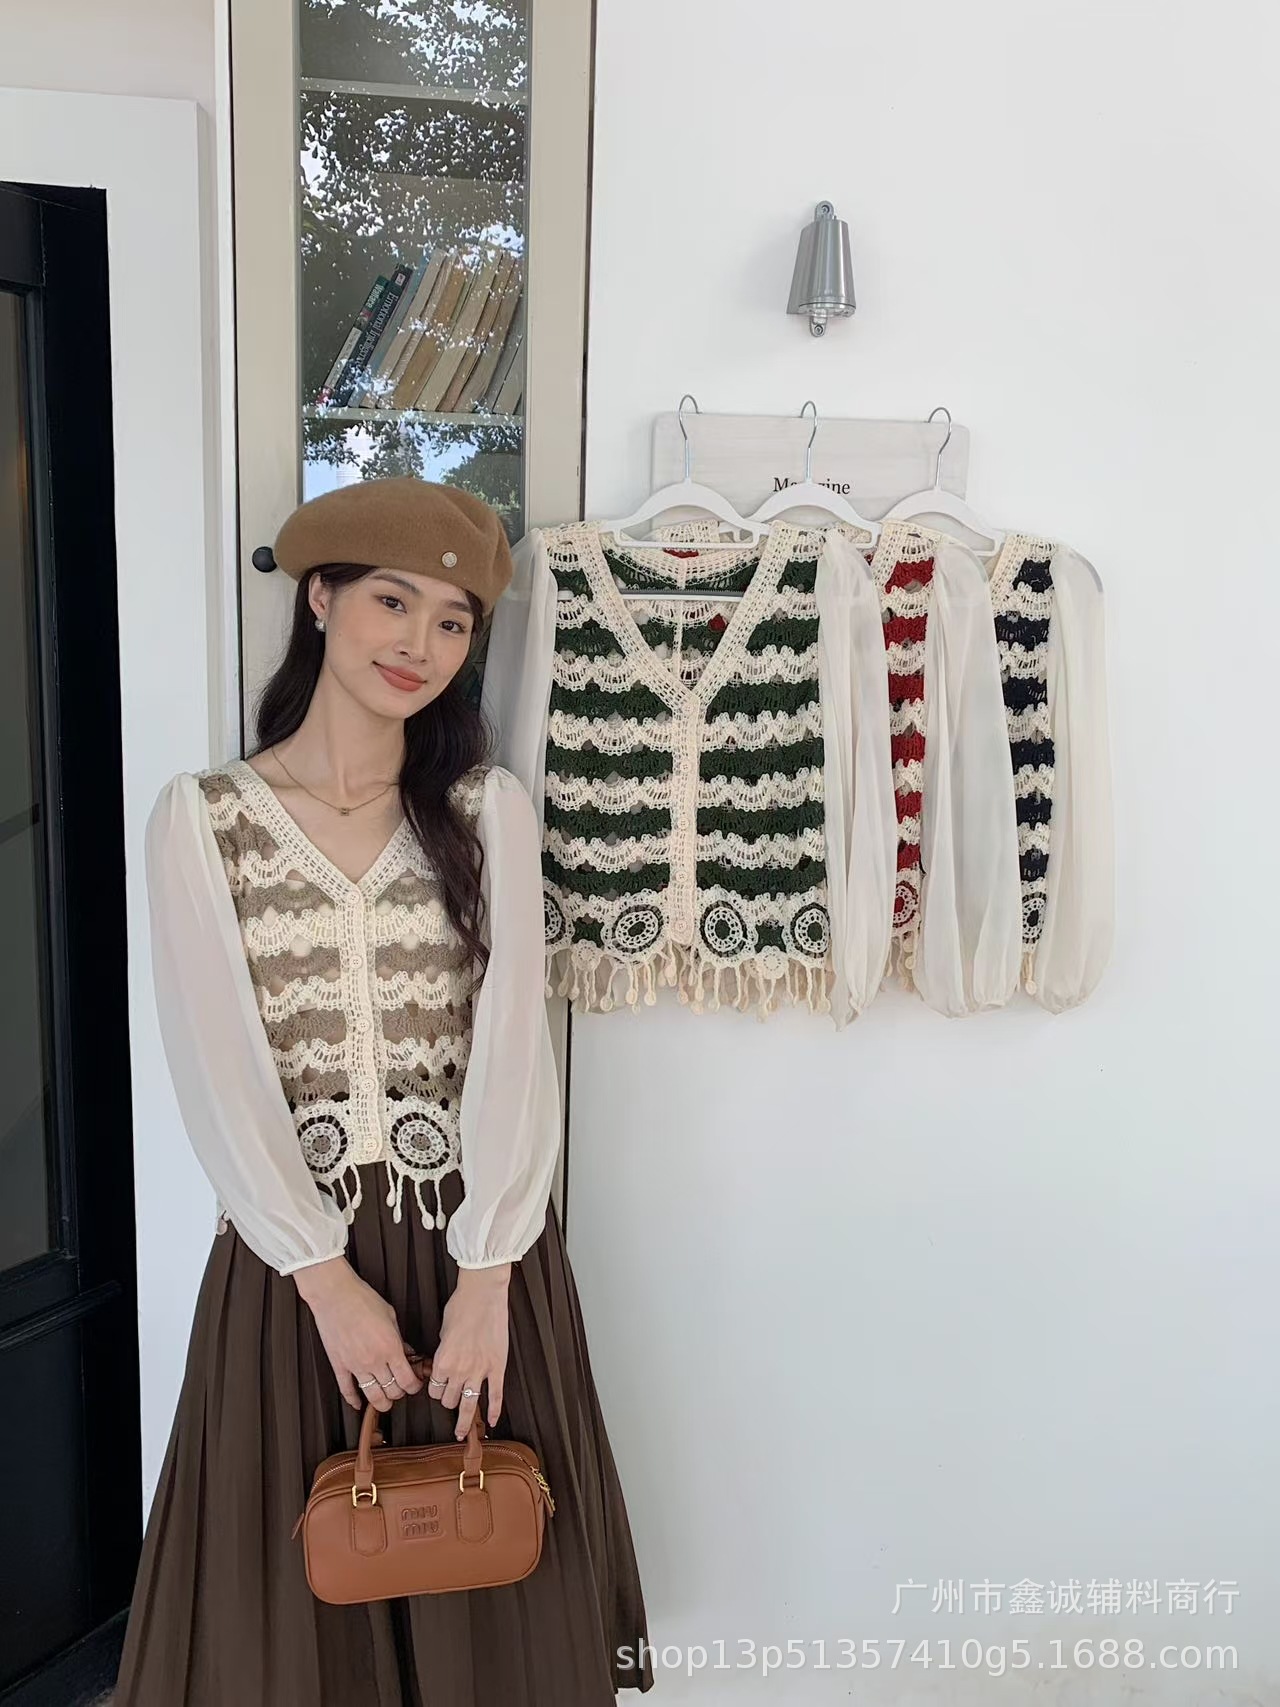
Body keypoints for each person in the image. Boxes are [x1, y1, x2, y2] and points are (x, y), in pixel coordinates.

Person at [113, 477, 655, 1706]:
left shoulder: (484, 810)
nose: (420, 643)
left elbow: (514, 1048)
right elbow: (214, 1061)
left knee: (488, 1568)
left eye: (454, 622)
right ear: (320, 600)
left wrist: (488, 1279)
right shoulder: (206, 820)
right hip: (294, 1269)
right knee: (299, 1612)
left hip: (479, 1256)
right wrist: (321, 1278)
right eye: (392, 603)